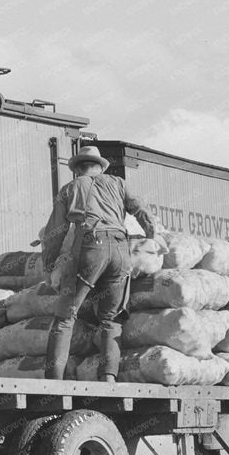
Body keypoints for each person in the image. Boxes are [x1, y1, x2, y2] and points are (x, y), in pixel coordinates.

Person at [39, 144, 160, 382]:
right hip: (120, 250)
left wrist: (50, 265)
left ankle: (53, 381)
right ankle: (109, 378)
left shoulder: (70, 188)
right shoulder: (118, 184)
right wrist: (151, 233)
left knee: (65, 317)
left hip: (89, 247)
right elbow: (140, 209)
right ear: (99, 167)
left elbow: (55, 232)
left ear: (78, 169)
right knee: (111, 318)